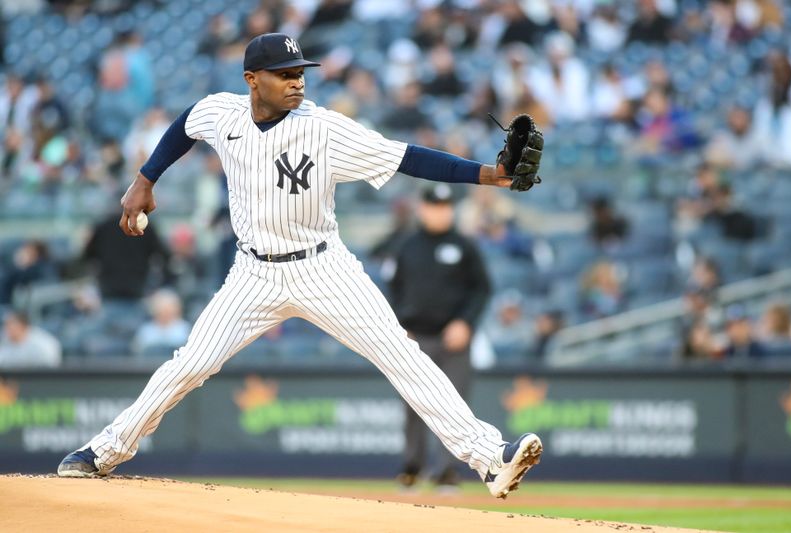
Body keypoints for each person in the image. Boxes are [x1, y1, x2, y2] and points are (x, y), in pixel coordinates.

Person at [57, 33, 543, 499]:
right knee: (190, 364)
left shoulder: (323, 128)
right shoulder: (221, 113)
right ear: (252, 79)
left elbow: (407, 158)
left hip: (323, 268)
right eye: (284, 73)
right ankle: (105, 450)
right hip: (253, 274)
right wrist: (145, 177)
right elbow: (187, 122)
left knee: (403, 356)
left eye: (301, 72)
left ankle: (489, 457)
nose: (298, 81)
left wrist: (489, 174)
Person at [388, 184, 491, 491]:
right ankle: (412, 467)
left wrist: (465, 322)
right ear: (423, 209)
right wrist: (397, 326)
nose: (440, 212)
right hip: (415, 338)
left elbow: (482, 289)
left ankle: (446, 472)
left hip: (453, 339)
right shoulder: (406, 246)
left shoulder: (464, 246)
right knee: (414, 405)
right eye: (435, 206)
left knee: (454, 407)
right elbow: (391, 289)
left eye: (446, 207)